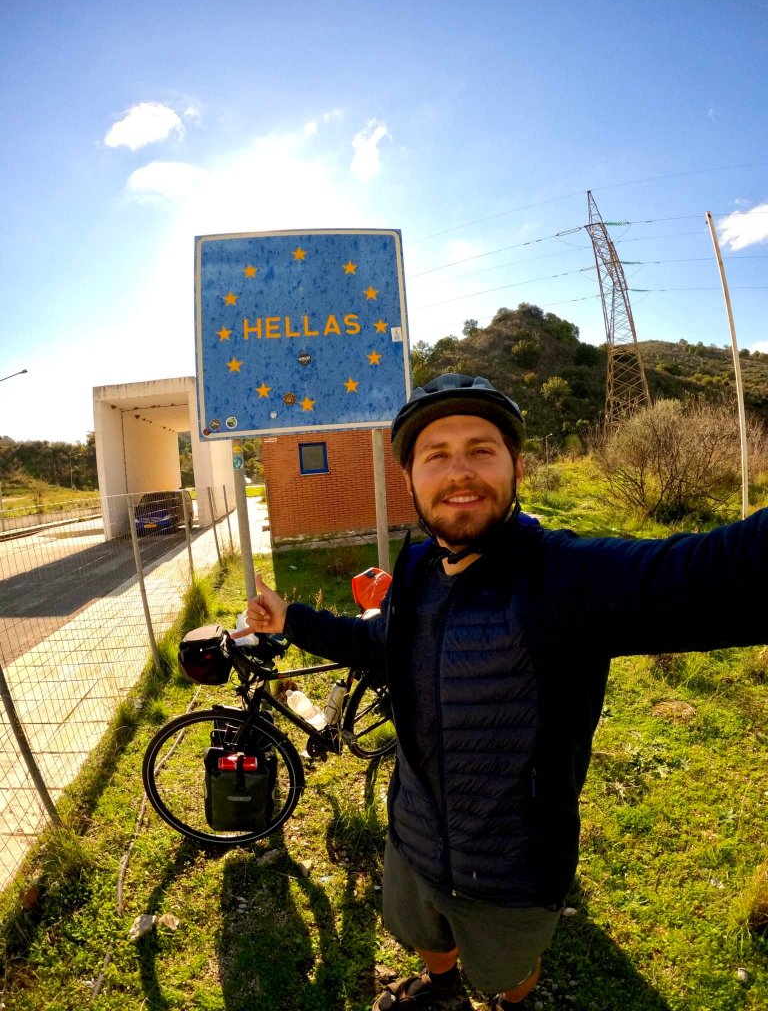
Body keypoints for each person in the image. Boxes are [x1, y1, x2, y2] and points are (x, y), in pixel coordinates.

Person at [244, 373, 768, 1010]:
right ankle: (440, 989)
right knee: (422, 934)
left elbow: (713, 576)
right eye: (436, 455)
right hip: (411, 838)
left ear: (516, 466)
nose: (459, 472)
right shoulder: (416, 567)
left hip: (511, 873)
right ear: (409, 478)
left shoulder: (563, 576)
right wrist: (292, 619)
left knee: (506, 974)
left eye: (481, 450)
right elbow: (385, 643)